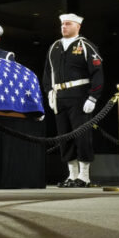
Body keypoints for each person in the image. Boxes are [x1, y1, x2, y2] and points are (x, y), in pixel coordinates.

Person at [42, 13, 103, 188]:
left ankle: (84, 176)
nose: (64, 27)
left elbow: (98, 73)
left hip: (80, 96)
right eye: (62, 24)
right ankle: (72, 174)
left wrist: (93, 96)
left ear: (78, 26)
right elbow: (47, 73)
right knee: (64, 137)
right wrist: (49, 93)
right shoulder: (54, 46)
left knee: (82, 136)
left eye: (68, 24)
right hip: (59, 97)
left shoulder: (86, 45)